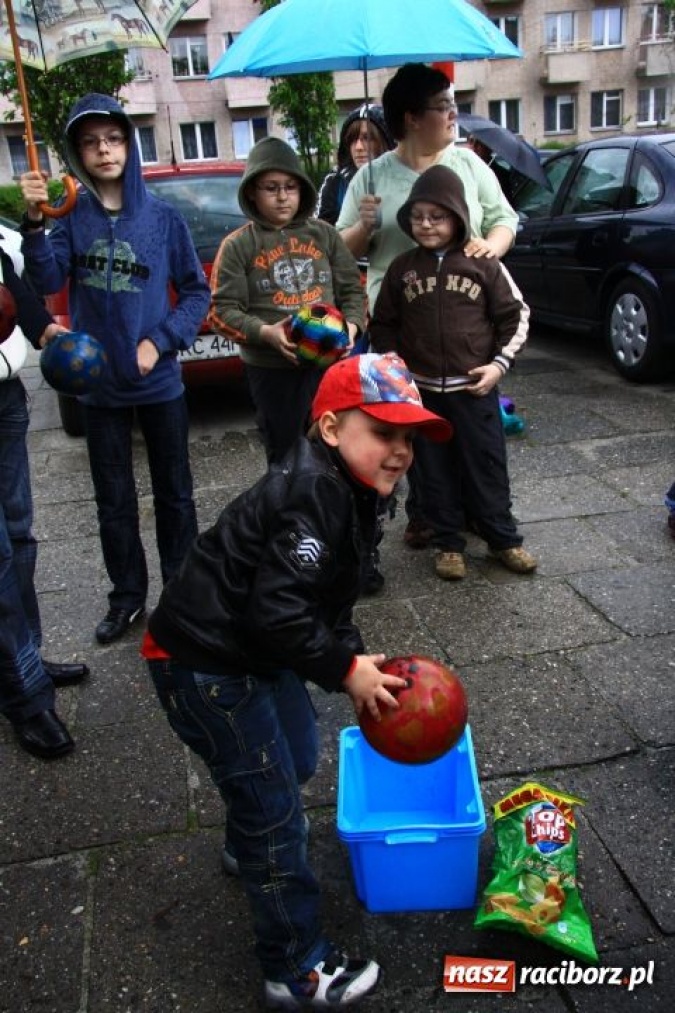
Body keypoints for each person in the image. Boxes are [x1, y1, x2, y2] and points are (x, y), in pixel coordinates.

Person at [141, 351, 451, 1008]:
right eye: (383, 432)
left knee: (299, 753)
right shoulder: (314, 490)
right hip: (205, 666)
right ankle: (296, 967)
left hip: (249, 652)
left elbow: (317, 602)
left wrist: (355, 656)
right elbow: (277, 609)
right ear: (333, 428)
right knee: (277, 815)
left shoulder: (351, 486)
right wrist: (345, 669)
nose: (399, 451)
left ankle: (243, 841)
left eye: (409, 438)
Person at [19, 93, 210, 646]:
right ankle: (127, 597)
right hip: (98, 387)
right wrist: (35, 222)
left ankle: (182, 593)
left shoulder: (162, 218)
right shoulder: (70, 218)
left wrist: (162, 339)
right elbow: (49, 281)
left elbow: (197, 292)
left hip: (159, 382)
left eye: (113, 139)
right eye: (90, 142)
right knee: (113, 499)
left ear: (128, 144)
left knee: (175, 493)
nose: (103, 150)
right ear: (78, 154)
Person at [336, 63, 519, 551]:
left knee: (472, 425)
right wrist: (365, 227)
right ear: (413, 117)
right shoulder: (372, 175)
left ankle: (478, 511)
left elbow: (504, 219)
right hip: (400, 325)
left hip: (464, 323)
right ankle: (428, 514)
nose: (454, 116)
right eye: (444, 107)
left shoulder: (468, 165)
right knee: (408, 424)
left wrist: (490, 251)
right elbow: (340, 247)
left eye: (453, 105)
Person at [370, 165, 537, 580]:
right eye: (418, 216)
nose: (426, 224)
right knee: (433, 472)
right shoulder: (402, 268)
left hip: (474, 392)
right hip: (423, 397)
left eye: (437, 216)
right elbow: (383, 323)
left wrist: (498, 366)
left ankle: (504, 540)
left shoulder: (483, 264)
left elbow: (514, 318)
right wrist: (396, 370)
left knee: (486, 465)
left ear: (458, 217)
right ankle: (448, 544)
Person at [208, 136, 366, 468]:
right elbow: (221, 312)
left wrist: (351, 326)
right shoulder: (238, 245)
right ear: (252, 191)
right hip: (272, 370)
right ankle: (290, 517)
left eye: (290, 187)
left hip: (328, 365)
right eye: (271, 187)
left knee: (339, 446)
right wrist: (265, 333)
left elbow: (353, 290)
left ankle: (339, 516)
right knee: (286, 454)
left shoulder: (325, 235)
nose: (282, 196)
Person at [0, 243, 88, 760]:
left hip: (7, 397)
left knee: (19, 534)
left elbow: (14, 287)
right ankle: (27, 697)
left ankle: (25, 656)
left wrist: (45, 329)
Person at [316, 104, 394, 226]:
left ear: (385, 141)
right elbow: (321, 234)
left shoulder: (404, 176)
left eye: (367, 138)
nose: (358, 147)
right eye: (352, 139)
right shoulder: (336, 181)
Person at [467, 134, 518, 203]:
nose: (474, 147)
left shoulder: (501, 175)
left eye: (479, 142)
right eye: (471, 141)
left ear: (488, 147)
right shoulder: (465, 170)